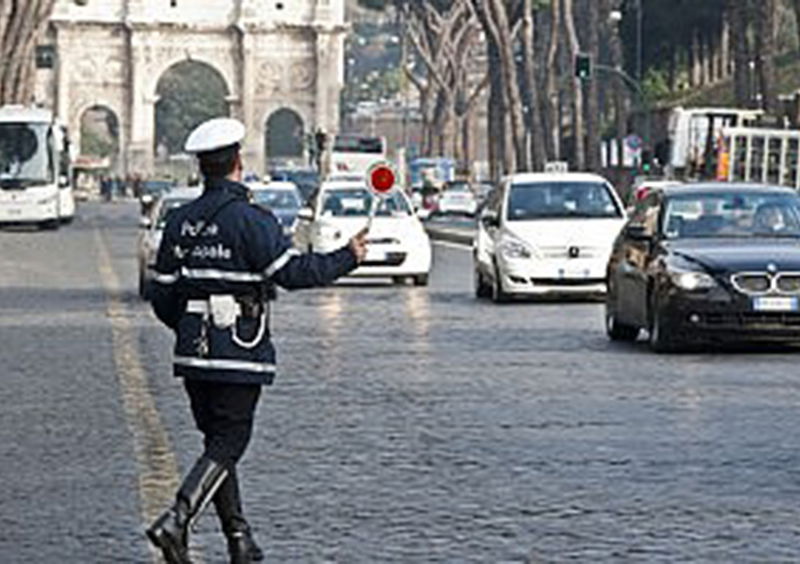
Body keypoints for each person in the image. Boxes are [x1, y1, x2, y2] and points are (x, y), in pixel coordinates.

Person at [145, 117, 368, 564]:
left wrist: (190, 327)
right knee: (230, 442)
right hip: (239, 349)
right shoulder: (253, 220)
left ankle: (239, 540)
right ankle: (177, 518)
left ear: (202, 167)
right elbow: (294, 274)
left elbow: (161, 292)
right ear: (238, 164)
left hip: (193, 353)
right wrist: (348, 257)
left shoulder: (181, 221)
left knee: (217, 445)